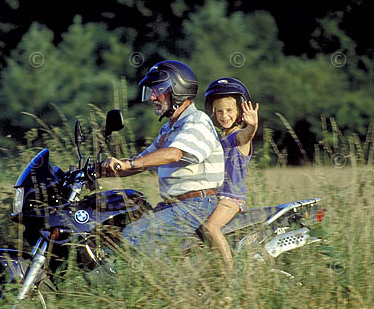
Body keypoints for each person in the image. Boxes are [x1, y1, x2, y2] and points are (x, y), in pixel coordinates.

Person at [101, 60, 225, 253]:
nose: (152, 97)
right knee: (116, 225)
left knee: (134, 235)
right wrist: (99, 172)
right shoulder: (169, 129)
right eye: (151, 91)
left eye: (157, 89)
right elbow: (143, 162)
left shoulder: (197, 121)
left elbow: (175, 154)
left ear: (178, 90)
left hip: (197, 205)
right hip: (176, 205)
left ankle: (168, 282)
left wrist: (128, 163)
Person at [200, 78, 259, 272]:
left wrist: (252, 126)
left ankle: (229, 272)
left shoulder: (238, 137)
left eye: (229, 110)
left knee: (210, 228)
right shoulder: (217, 139)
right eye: (219, 111)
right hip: (214, 197)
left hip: (231, 198)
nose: (224, 115)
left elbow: (246, 135)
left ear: (239, 112)